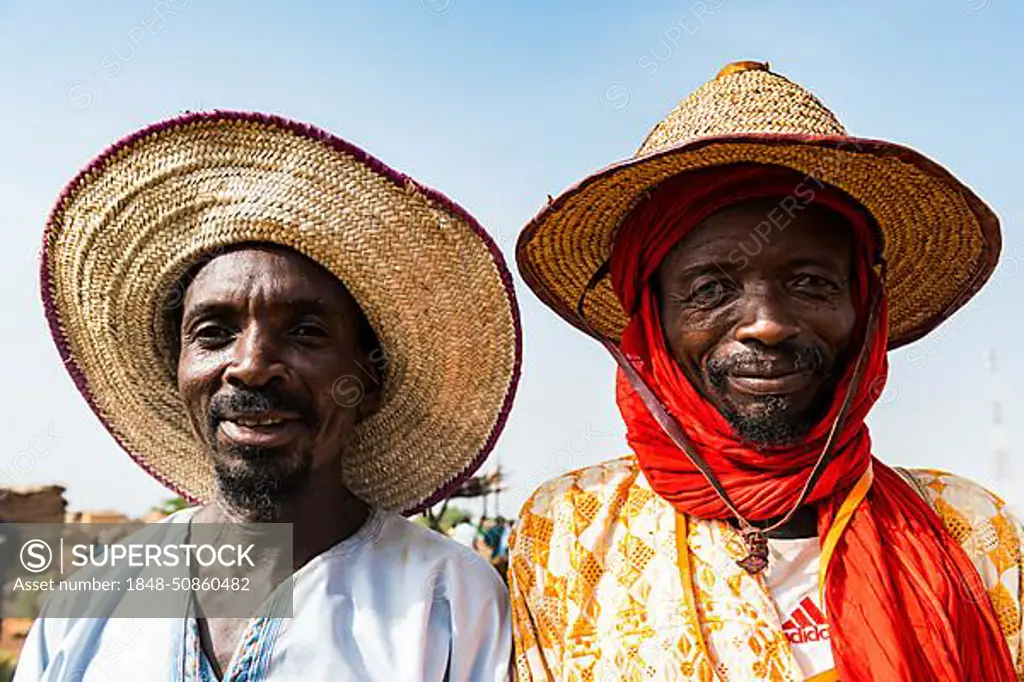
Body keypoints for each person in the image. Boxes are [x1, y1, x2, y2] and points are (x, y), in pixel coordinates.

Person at [511, 61, 1024, 680]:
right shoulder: (568, 533)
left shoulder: (971, 530)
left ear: (865, 309)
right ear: (653, 320)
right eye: (710, 288)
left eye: (810, 282)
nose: (767, 324)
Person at [21, 111, 521, 681]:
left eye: (306, 332)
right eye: (213, 333)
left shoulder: (448, 603)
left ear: (370, 378)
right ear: (178, 368)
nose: (252, 367)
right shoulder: (93, 602)